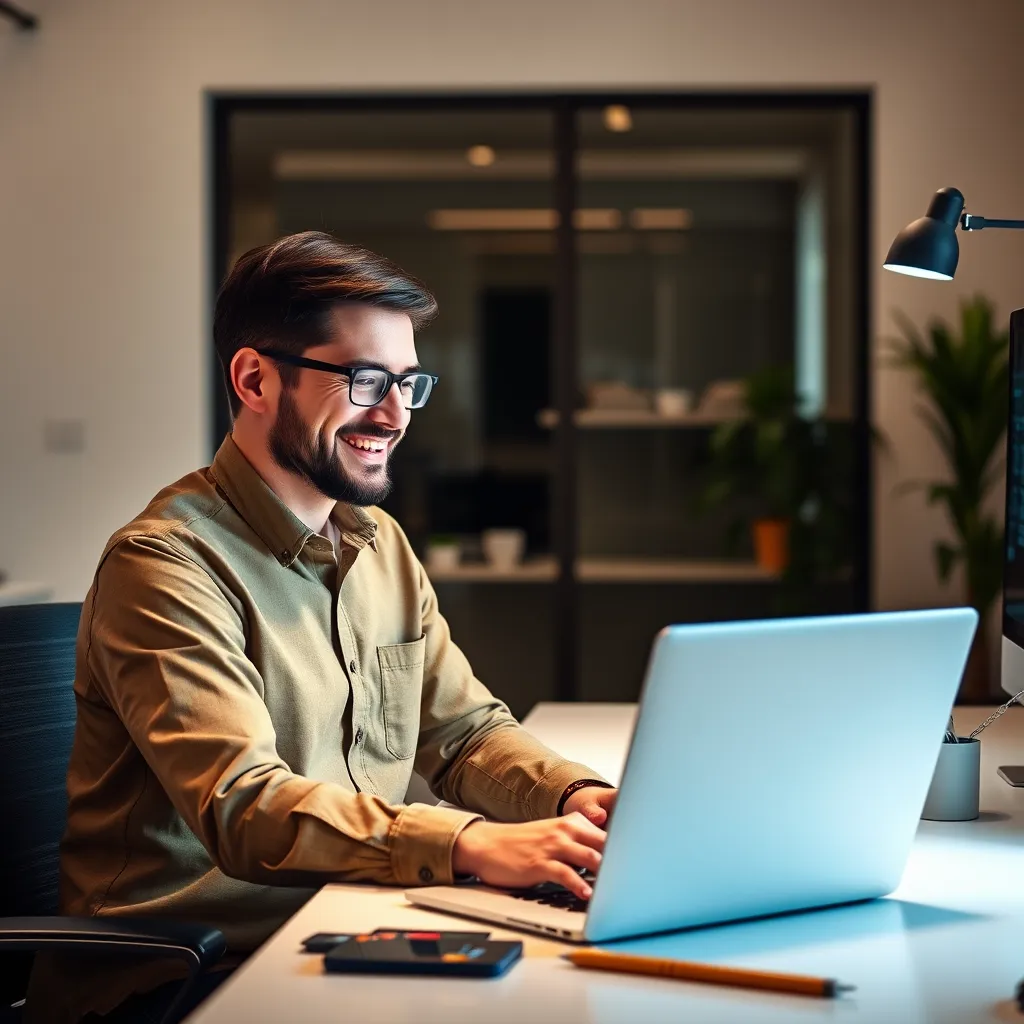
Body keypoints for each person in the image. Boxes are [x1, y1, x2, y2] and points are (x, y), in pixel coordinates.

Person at [27, 232, 615, 1024]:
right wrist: (467, 843)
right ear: (255, 378)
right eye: (367, 379)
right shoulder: (165, 564)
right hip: (179, 980)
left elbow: (467, 732)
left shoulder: (381, 545)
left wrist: (578, 797)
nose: (395, 413)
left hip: (344, 927)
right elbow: (244, 804)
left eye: (410, 383)